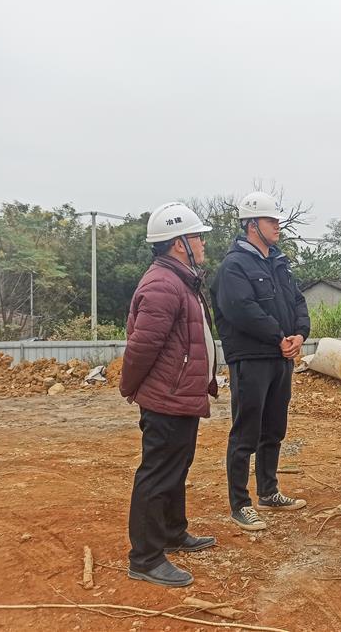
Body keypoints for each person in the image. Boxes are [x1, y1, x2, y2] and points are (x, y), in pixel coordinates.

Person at [121, 202, 217, 588]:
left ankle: (173, 532)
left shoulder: (180, 279)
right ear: (179, 243)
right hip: (167, 397)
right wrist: (131, 387)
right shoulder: (163, 284)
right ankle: (145, 558)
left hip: (180, 395)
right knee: (158, 473)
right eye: (197, 237)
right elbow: (142, 347)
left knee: (176, 467)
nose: (203, 243)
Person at [211, 191, 311, 532]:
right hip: (252, 359)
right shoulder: (234, 266)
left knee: (274, 428)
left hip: (281, 357)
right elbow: (242, 310)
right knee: (246, 432)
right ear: (252, 224)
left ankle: (268, 491)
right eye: (271, 221)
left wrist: (300, 334)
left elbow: (297, 300)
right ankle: (240, 504)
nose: (277, 226)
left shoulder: (278, 262)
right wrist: (278, 337)